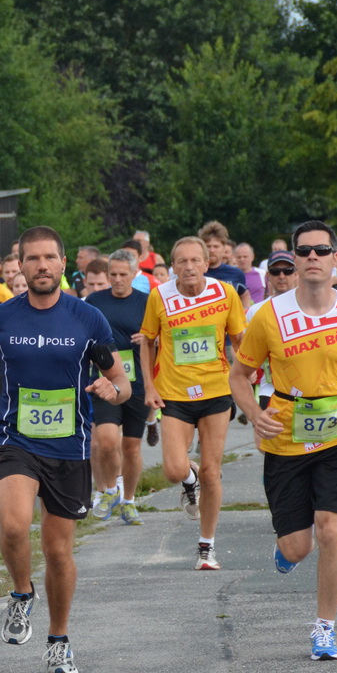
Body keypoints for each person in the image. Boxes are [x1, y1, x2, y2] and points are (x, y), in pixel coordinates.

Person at [0, 227, 129, 673]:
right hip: (16, 442)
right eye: (31, 259)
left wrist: (111, 392)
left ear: (62, 264)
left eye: (48, 258)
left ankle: (58, 640)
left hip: (70, 449)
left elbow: (122, 381)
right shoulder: (2, 319)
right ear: (19, 266)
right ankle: (20, 593)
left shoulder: (87, 318)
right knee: (14, 525)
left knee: (58, 552)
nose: (40, 266)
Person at [230, 220, 337, 660]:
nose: (312, 258)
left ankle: (325, 628)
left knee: (331, 530)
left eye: (322, 250)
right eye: (304, 252)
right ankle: (287, 550)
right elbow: (240, 375)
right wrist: (252, 414)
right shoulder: (269, 315)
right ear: (294, 260)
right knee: (297, 546)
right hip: (285, 437)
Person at [138, 236, 247, 570]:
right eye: (181, 261)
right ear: (173, 267)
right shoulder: (160, 296)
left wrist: (247, 375)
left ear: (206, 263)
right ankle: (189, 478)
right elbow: (147, 342)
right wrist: (149, 386)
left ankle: (206, 547)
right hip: (174, 393)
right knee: (173, 469)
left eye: (194, 261)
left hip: (216, 389)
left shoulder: (225, 293)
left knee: (213, 472)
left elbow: (239, 339)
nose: (188, 267)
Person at [85, 249, 149, 525]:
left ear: (135, 274)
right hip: (104, 380)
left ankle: (130, 501)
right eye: (113, 275)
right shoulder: (94, 301)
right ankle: (111, 490)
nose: (118, 280)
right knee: (107, 440)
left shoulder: (148, 302)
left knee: (132, 447)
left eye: (124, 275)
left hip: (137, 382)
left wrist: (150, 338)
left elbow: (163, 339)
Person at [199, 221, 252, 310]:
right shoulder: (196, 273)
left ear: (224, 248)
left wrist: (245, 313)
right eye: (208, 246)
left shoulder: (236, 273)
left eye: (216, 246)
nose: (212, 250)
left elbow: (244, 294)